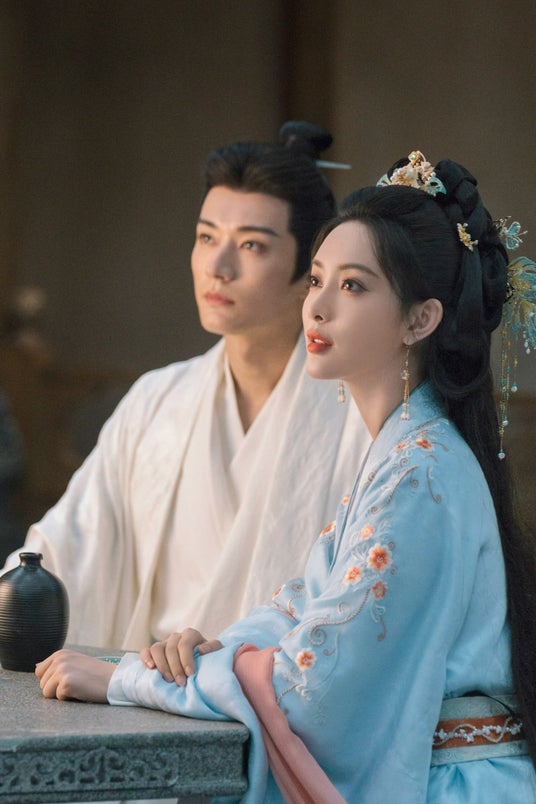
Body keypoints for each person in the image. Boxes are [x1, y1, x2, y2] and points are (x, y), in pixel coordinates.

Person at [36, 152, 536, 802]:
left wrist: (128, 680)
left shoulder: (420, 474)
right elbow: (303, 609)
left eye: (353, 286)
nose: (318, 307)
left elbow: (315, 684)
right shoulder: (400, 456)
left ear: (421, 318)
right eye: (318, 280)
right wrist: (204, 652)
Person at [2, 121, 370, 651]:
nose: (218, 267)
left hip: (273, 684)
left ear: (310, 270)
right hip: (148, 683)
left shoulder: (359, 415)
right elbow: (67, 547)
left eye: (251, 245)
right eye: (206, 238)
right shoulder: (157, 400)